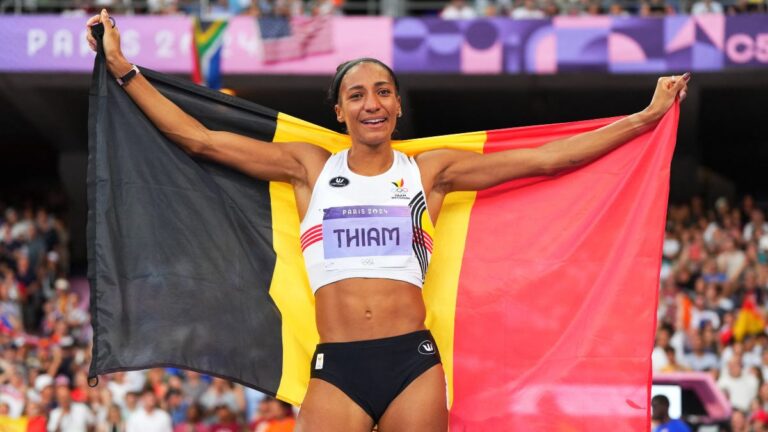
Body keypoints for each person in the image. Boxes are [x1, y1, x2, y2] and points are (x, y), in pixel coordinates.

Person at [85, 9, 688, 432]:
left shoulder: (431, 171)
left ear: (398, 104)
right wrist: (122, 68)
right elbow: (200, 140)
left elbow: (548, 160)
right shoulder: (308, 168)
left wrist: (643, 118)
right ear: (340, 109)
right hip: (337, 366)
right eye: (357, 95)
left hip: (413, 364)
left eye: (383, 92)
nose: (371, 103)